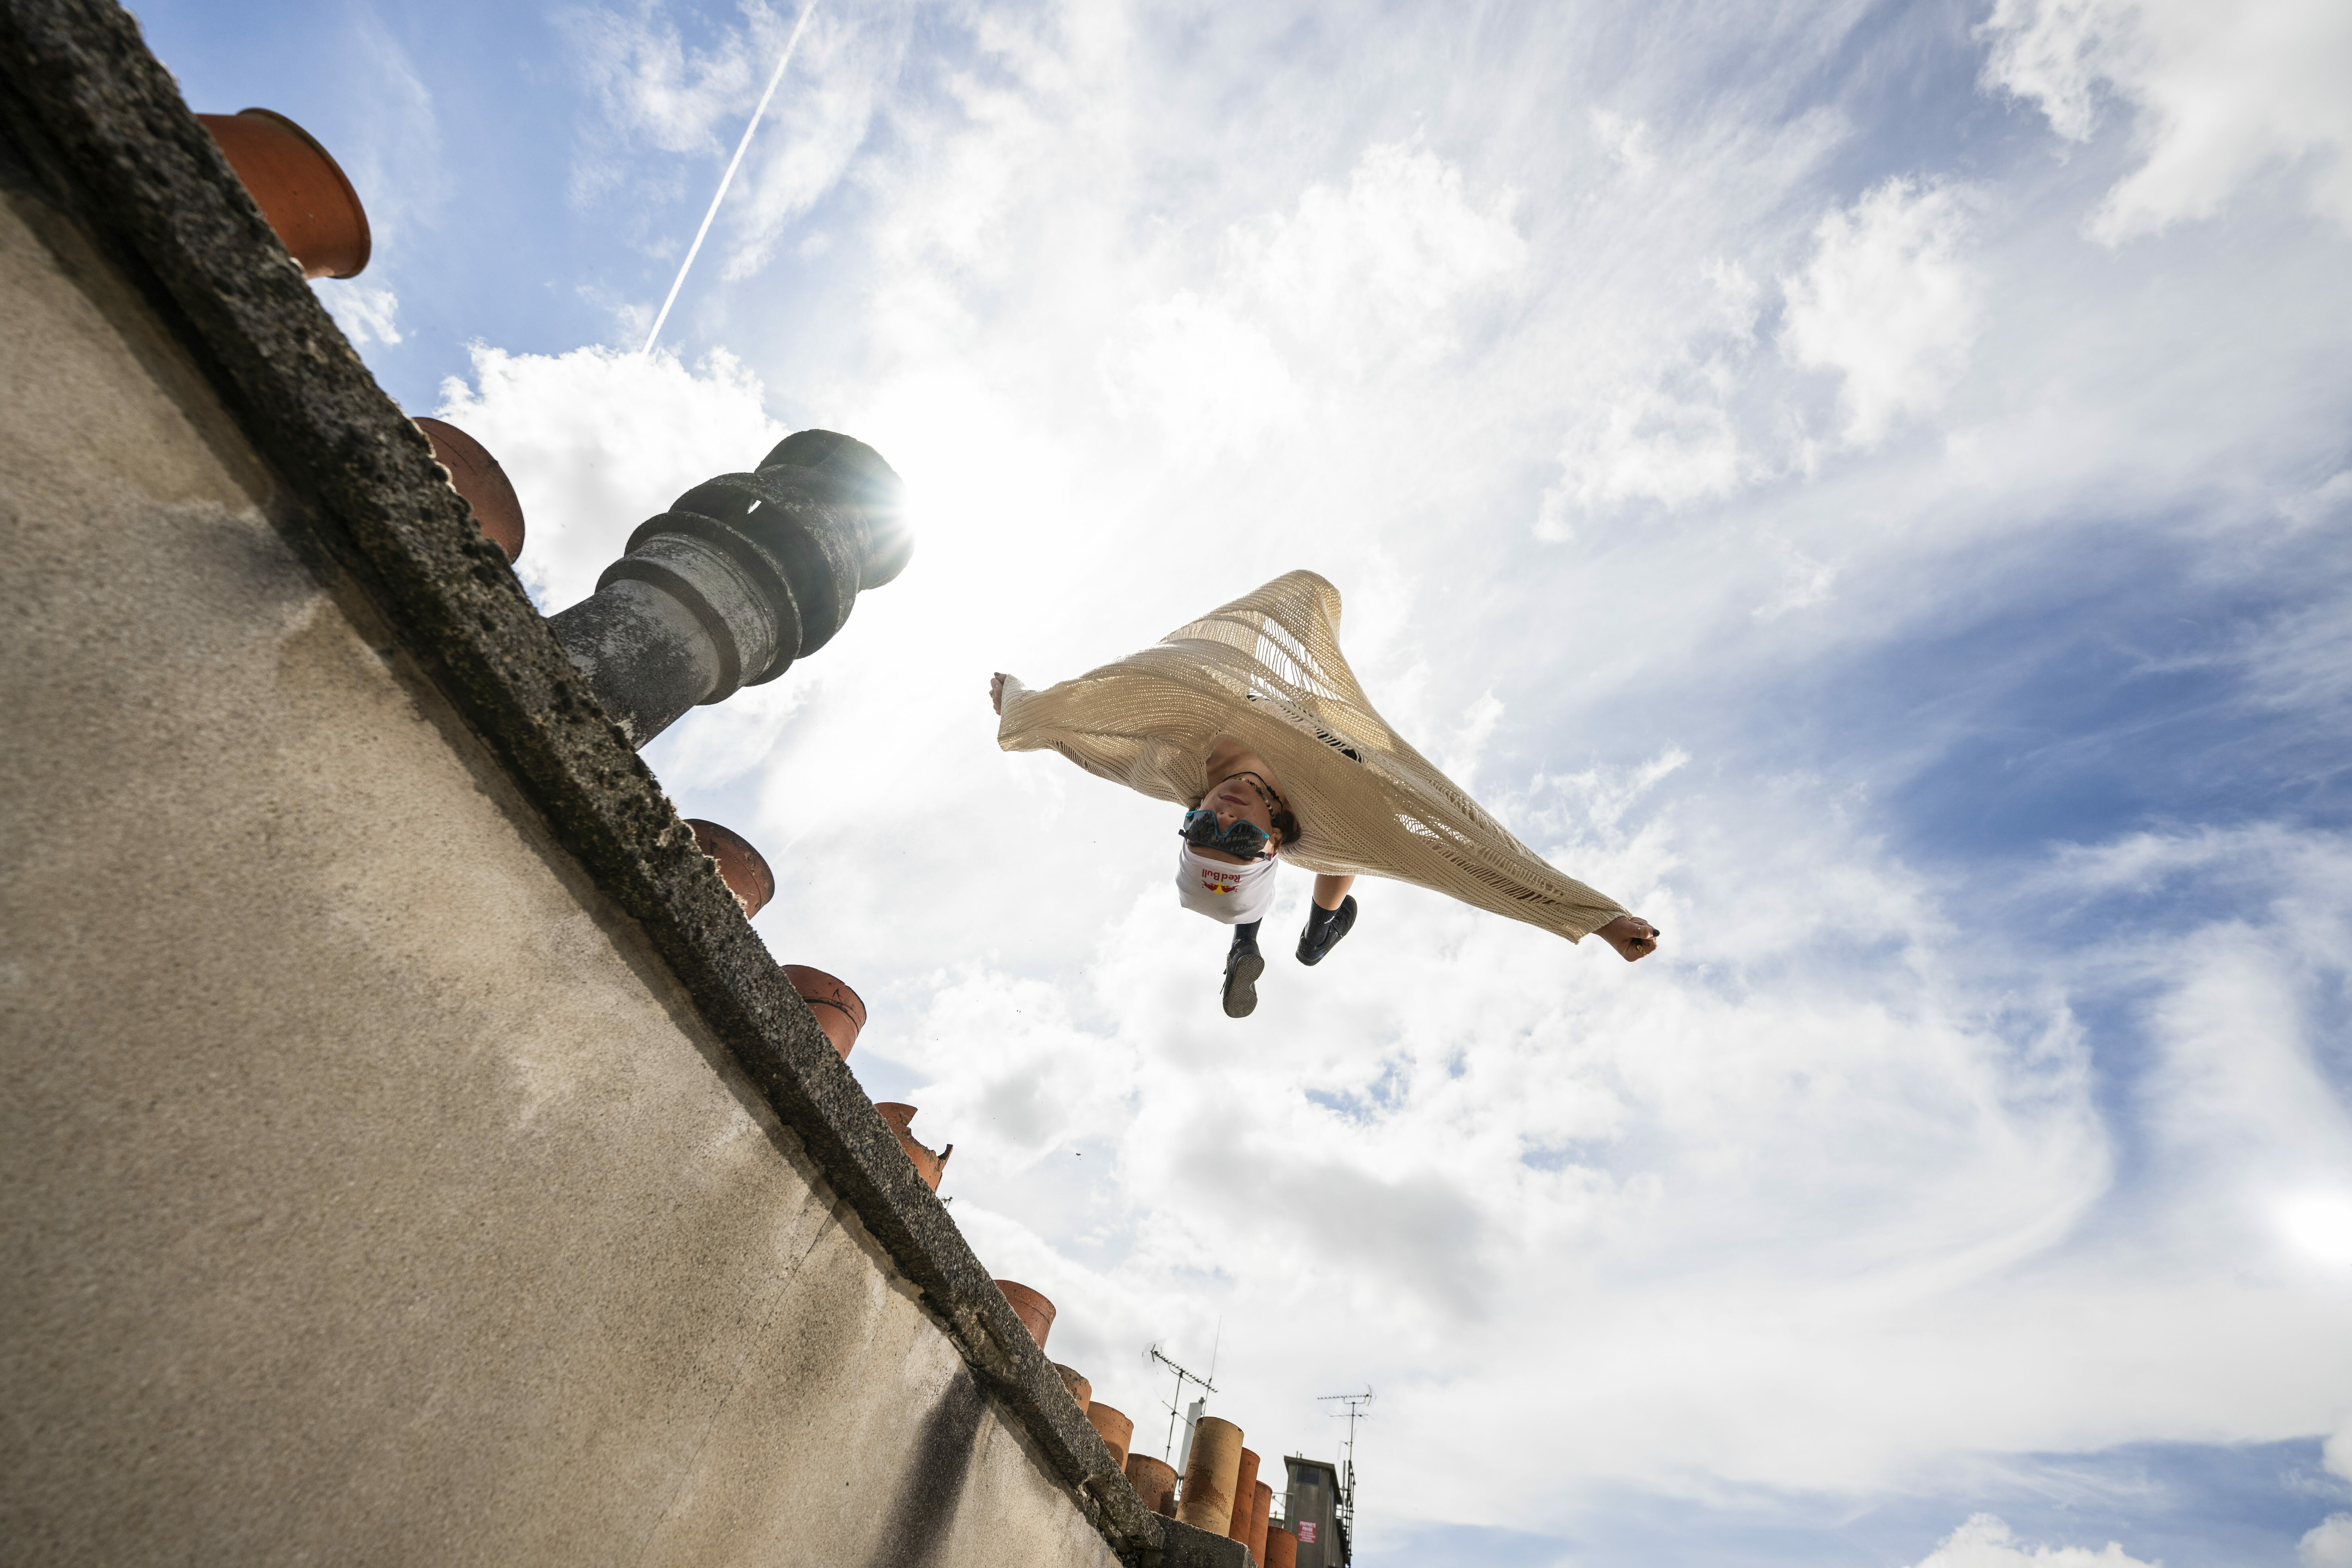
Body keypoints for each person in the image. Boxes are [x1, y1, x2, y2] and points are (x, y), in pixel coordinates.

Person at [989, 571, 1660, 1018]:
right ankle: (1310, 932)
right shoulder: (1340, 812)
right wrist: (1599, 918)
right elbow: (1475, 863)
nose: (1222, 815)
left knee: (1258, 872)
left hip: (1298, 799)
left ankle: (1287, 936)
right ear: (1271, 837)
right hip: (1333, 813)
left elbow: (1073, 737)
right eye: (1239, 833)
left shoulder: (1171, 766)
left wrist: (1017, 705)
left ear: (1189, 817)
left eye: (1203, 827)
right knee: (1355, 844)